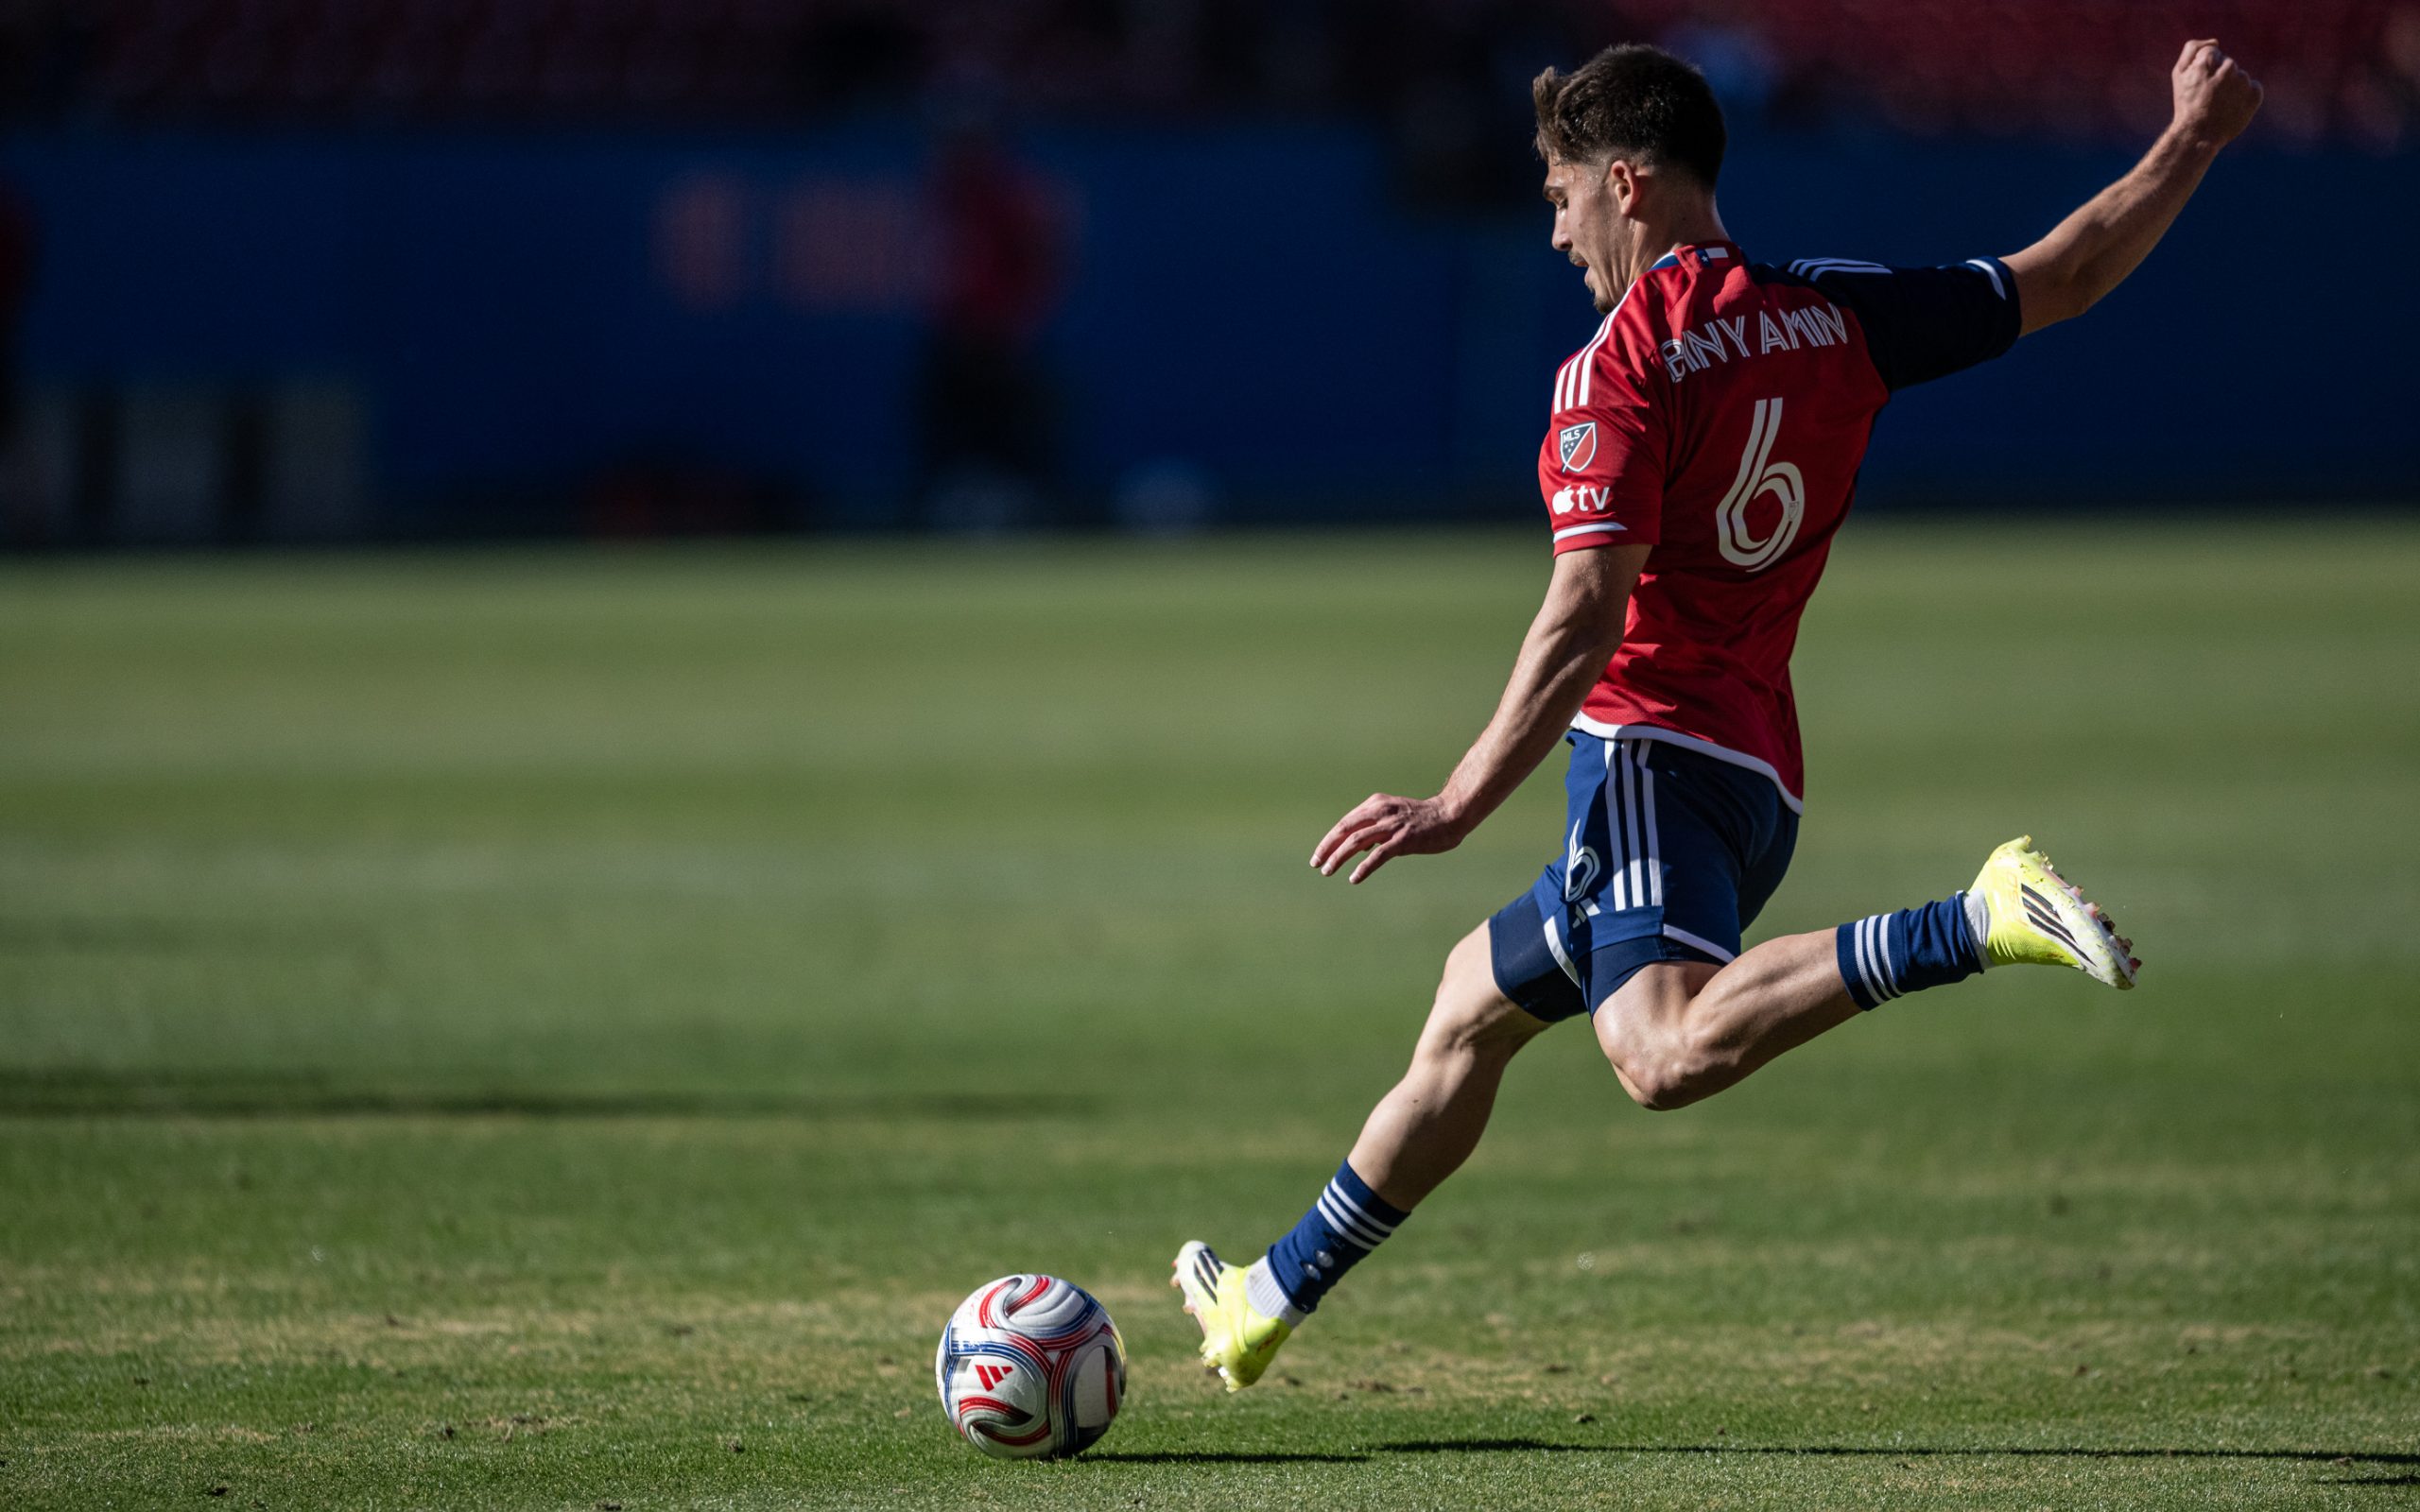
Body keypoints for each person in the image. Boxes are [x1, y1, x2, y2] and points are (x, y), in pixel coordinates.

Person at [1174, 38, 2264, 1389]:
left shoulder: (1619, 367)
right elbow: (2073, 270)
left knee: (1661, 1052)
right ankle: (1267, 1295)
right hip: (1758, 776)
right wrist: (2194, 140)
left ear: (1628, 186)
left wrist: (1456, 801)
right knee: (1467, 1013)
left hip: (1648, 753)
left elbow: (1583, 615)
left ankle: (1974, 916)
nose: (1557, 225)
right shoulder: (1832, 310)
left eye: (1564, 192)